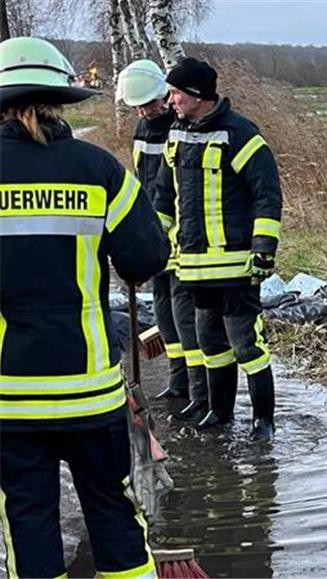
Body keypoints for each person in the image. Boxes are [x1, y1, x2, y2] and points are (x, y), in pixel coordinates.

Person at [0, 37, 169, 577]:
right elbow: (147, 257)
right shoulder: (100, 169)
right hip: (89, 389)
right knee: (113, 509)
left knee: (28, 520)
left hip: (11, 396)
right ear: (60, 99)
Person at [153, 57, 283, 441]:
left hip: (237, 265)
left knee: (247, 345)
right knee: (211, 344)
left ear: (197, 95)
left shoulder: (240, 133)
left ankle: (264, 422)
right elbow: (164, 194)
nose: (171, 100)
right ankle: (220, 413)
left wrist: (263, 248)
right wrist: (153, 243)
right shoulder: (176, 133)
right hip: (193, 266)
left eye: (176, 92)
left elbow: (267, 194)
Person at [116, 59, 209, 422]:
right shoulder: (142, 128)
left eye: (152, 103)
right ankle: (177, 379)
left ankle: (198, 391)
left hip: (182, 237)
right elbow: (142, 181)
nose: (147, 110)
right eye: (139, 106)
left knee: (186, 318)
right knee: (165, 315)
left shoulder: (182, 126)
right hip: (155, 234)